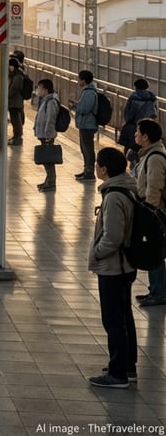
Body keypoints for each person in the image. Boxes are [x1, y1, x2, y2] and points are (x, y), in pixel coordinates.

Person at [89, 147, 138, 389]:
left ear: (104, 169)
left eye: (98, 164)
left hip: (113, 267)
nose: (96, 168)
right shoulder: (125, 190)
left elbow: (113, 236)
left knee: (114, 319)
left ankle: (118, 373)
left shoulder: (114, 197)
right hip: (123, 266)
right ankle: (127, 366)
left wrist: (96, 252)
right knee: (124, 316)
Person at [134, 120, 166, 307]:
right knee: (156, 251)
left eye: (138, 132)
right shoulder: (150, 154)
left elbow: (154, 187)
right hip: (154, 209)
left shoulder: (155, 157)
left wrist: (149, 212)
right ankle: (156, 289)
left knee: (155, 252)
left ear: (146, 137)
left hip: (156, 211)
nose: (135, 135)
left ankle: (159, 292)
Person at [33, 78, 61, 192]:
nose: (38, 90)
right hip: (43, 133)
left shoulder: (51, 102)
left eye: (39, 88)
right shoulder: (45, 100)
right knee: (46, 159)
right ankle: (48, 180)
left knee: (48, 159)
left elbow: (51, 119)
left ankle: (51, 182)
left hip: (47, 135)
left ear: (45, 89)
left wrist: (48, 134)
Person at [119, 79, 158, 155]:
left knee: (130, 147)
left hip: (134, 126)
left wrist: (128, 122)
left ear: (136, 87)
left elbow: (128, 114)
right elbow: (155, 112)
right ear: (147, 87)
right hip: (148, 127)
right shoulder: (152, 98)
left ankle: (132, 164)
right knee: (144, 148)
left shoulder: (134, 97)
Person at [74, 70, 100, 181]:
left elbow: (85, 108)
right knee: (84, 148)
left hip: (88, 124)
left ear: (83, 81)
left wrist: (76, 107)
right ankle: (86, 170)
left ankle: (89, 172)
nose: (78, 81)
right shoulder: (87, 91)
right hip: (85, 124)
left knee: (88, 149)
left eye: (79, 79)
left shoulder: (89, 92)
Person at [7, 58, 26, 145]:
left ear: (13, 66)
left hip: (15, 102)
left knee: (15, 120)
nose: (8, 67)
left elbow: (14, 89)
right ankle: (16, 136)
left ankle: (17, 137)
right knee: (14, 119)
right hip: (14, 101)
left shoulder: (17, 76)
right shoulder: (15, 74)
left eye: (9, 66)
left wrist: (6, 95)